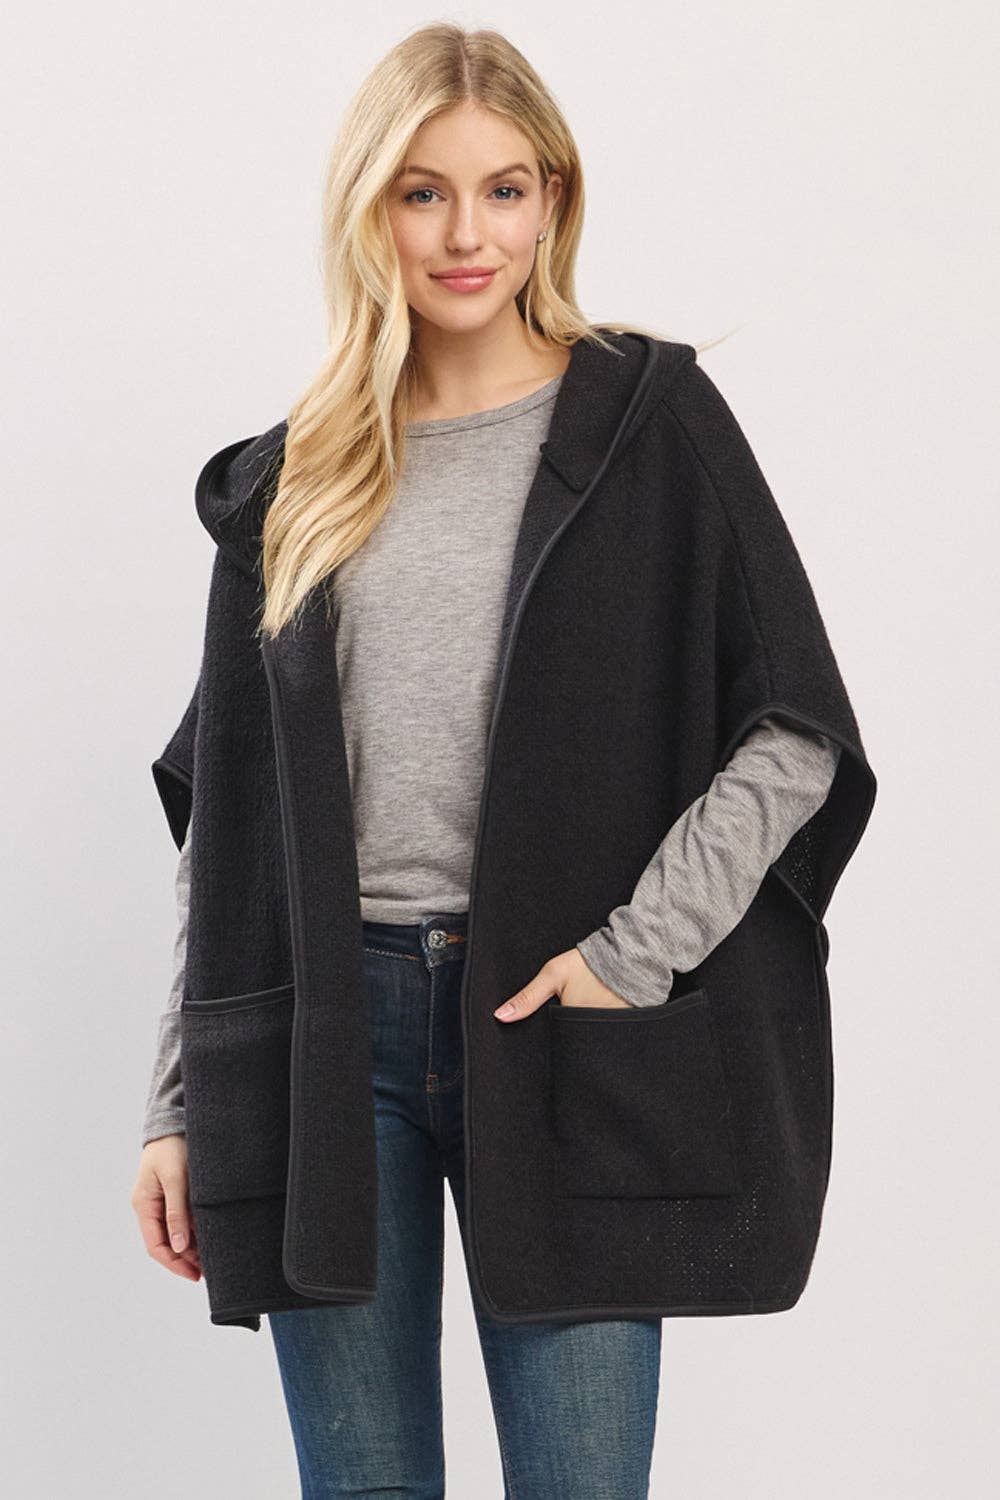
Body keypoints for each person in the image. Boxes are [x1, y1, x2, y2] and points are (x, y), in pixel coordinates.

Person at [131, 22, 873, 1499]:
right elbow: (233, 819)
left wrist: (633, 954)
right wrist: (176, 1097)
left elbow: (792, 727)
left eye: (504, 189)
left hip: (560, 1025)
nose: (467, 234)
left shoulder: (650, 423)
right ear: (369, 210)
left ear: (553, 201)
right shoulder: (297, 475)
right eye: (423, 193)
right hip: (330, 1039)